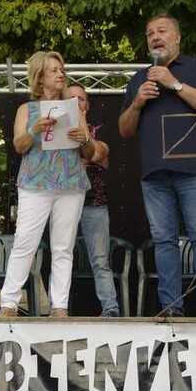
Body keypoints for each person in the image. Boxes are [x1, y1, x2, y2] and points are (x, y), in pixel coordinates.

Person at [119, 14, 196, 317]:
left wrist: (174, 84)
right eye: (150, 33)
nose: (155, 37)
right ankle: (171, 308)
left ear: (177, 37)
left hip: (194, 171)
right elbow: (125, 130)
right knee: (164, 242)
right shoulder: (139, 79)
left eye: (162, 31)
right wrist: (137, 103)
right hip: (154, 176)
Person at [0, 51, 95, 317]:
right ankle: (9, 303)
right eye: (53, 70)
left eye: (61, 69)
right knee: (25, 242)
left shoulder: (75, 107)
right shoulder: (26, 109)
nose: (60, 74)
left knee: (63, 246)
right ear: (40, 78)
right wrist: (35, 129)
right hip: (35, 183)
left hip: (71, 183)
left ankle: (59, 306)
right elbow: (19, 146)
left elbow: (90, 153)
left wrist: (84, 139)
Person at [66, 83, 120, 317]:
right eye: (72, 98)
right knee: (61, 256)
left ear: (87, 105)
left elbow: (99, 154)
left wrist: (85, 145)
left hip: (94, 202)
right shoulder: (52, 130)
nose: (78, 102)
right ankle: (58, 309)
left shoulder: (98, 129)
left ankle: (111, 309)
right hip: (63, 202)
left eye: (82, 99)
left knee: (100, 260)